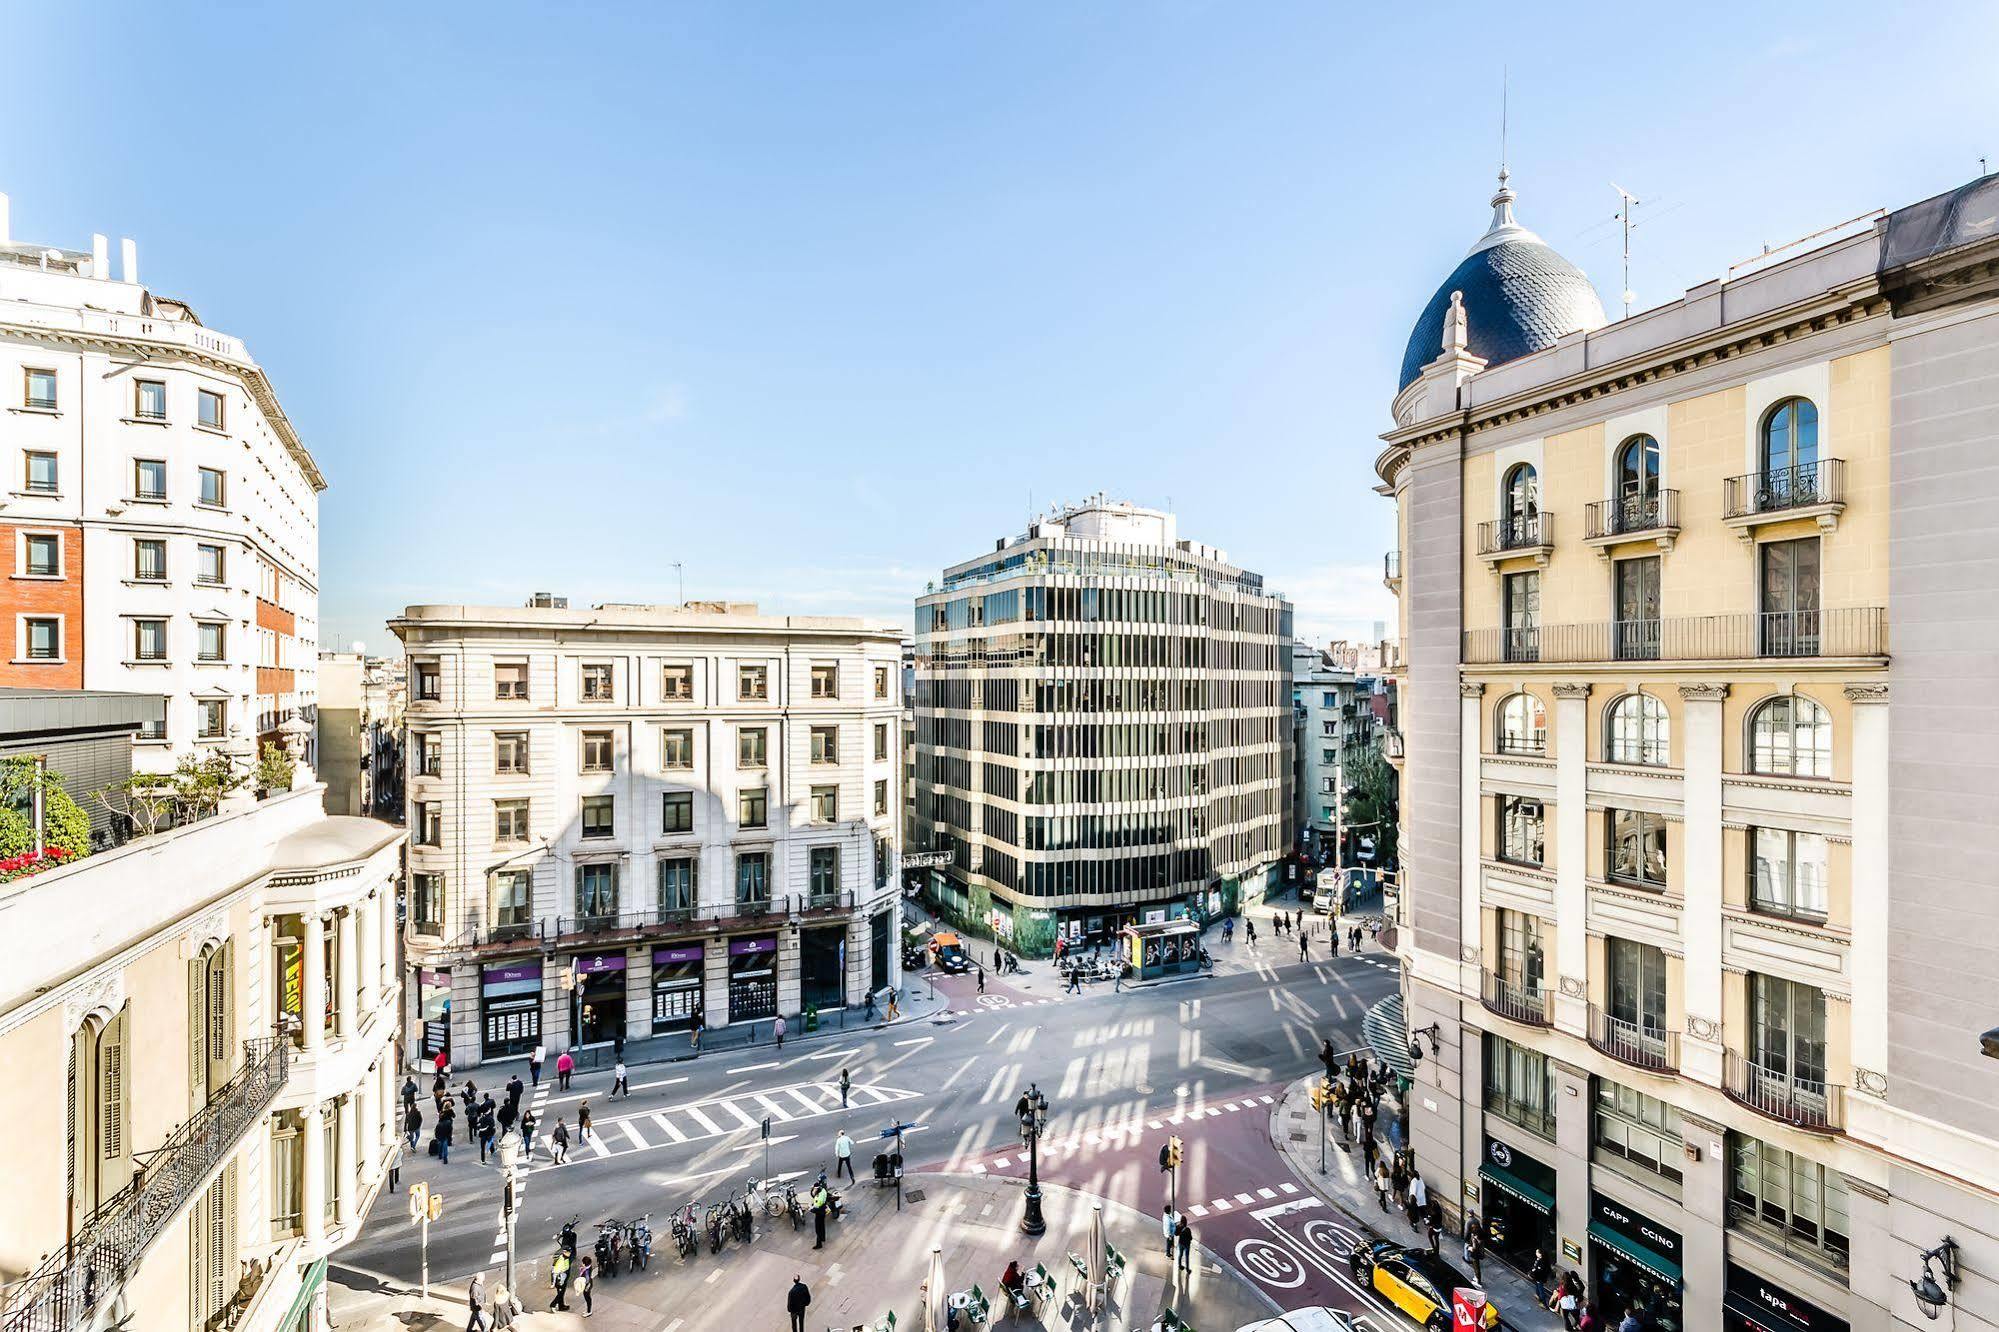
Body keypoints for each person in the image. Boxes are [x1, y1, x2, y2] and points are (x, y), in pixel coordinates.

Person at [811, 1180, 830, 1249]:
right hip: (823, 1211)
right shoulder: (823, 1190)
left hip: (819, 1212)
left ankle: (819, 1244)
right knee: (822, 1225)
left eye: (815, 1189)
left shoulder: (819, 1196)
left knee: (818, 1229)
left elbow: (817, 1206)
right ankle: (823, 1238)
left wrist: (811, 1209)